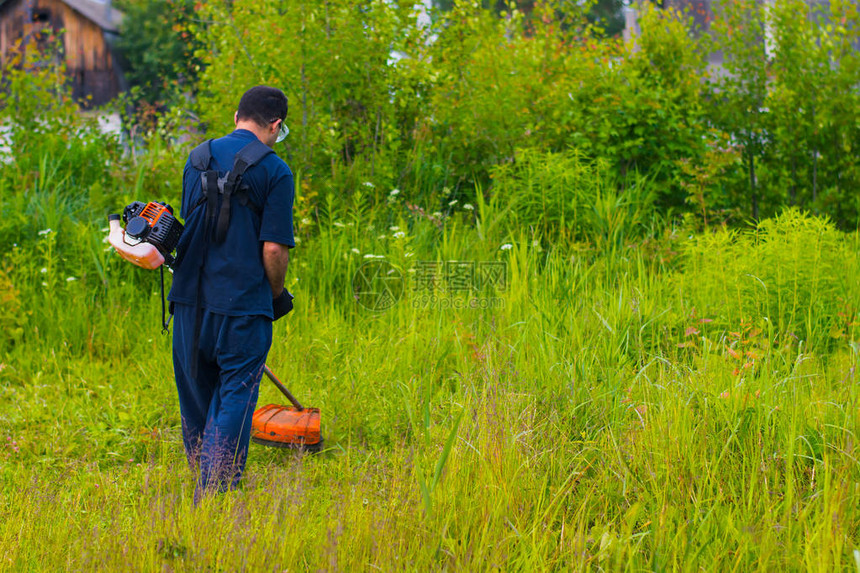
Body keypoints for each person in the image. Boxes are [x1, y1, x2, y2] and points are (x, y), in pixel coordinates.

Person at [168, 86, 295, 502]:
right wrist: (276, 295)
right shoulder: (275, 171)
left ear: (237, 114)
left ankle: (203, 478)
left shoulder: (197, 158)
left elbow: (191, 225)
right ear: (276, 125)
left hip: (188, 302)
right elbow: (273, 248)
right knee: (235, 395)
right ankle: (215, 497)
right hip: (241, 306)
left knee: (197, 394)